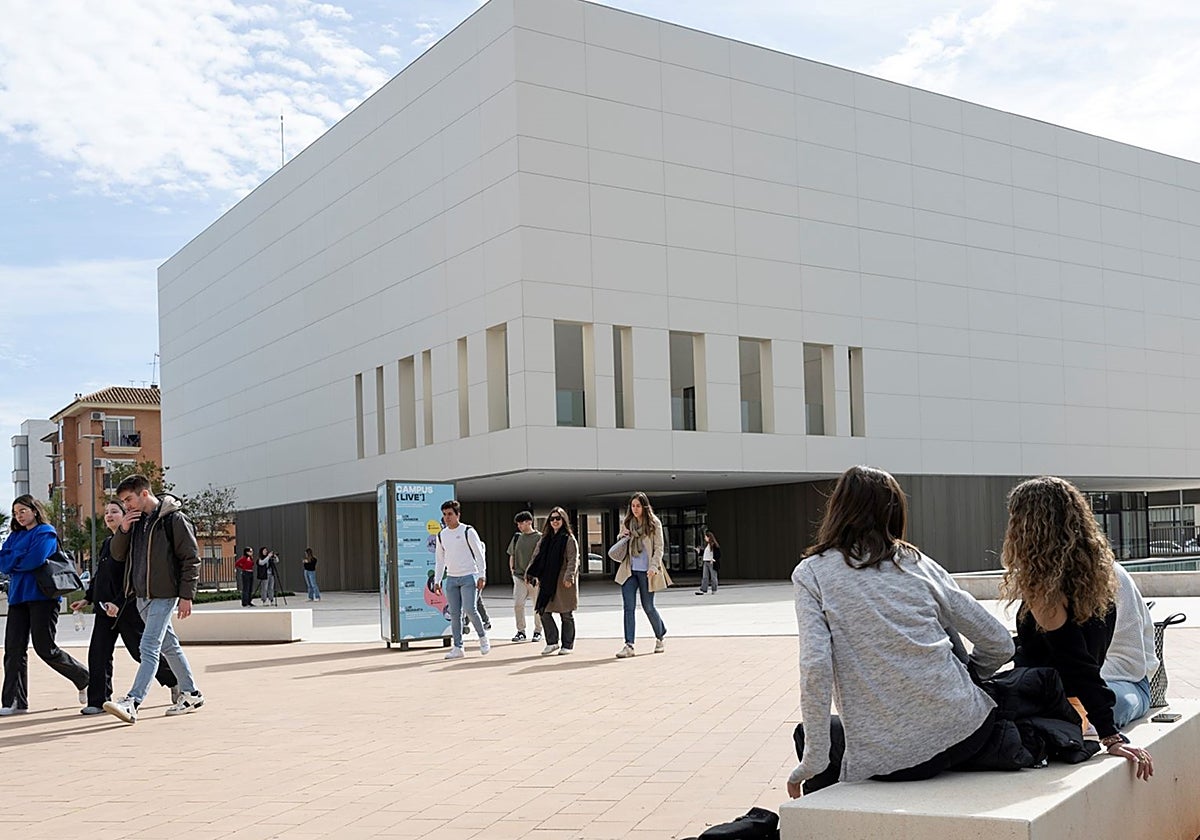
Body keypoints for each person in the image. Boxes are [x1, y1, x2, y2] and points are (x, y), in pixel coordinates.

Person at [788, 466, 1016, 795]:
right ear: (894, 512)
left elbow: (816, 668)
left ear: (836, 509)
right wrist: (972, 677)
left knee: (809, 740)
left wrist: (812, 761)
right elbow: (999, 643)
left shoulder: (812, 573)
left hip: (893, 756)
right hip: (968, 728)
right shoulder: (917, 562)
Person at [1001, 476, 1153, 780]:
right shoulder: (1097, 577)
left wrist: (1109, 736)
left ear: (1029, 526)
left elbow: (1075, 661)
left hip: (1061, 701)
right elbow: (1069, 651)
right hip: (1071, 696)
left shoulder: (1046, 589)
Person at [102, 474, 205, 724]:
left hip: (164, 594)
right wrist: (124, 528)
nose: (126, 506)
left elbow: (190, 558)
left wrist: (186, 595)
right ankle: (191, 693)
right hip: (141, 596)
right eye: (123, 502)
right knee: (169, 646)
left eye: (129, 500)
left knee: (148, 648)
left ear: (144, 494)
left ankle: (132, 702)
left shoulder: (173, 519)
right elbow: (117, 554)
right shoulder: (135, 522)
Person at [71, 500, 179, 715]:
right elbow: (100, 577)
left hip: (127, 609)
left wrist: (118, 603)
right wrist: (87, 598)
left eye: (114, 512)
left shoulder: (133, 544)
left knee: (140, 652)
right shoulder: (107, 543)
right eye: (107, 513)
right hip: (104, 610)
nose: (109, 515)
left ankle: (174, 680)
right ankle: (98, 700)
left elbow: (131, 578)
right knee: (98, 653)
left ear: (126, 516)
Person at [0, 495, 90, 715]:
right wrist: (19, 556)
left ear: (35, 510)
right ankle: (14, 702)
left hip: (43, 598)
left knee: (45, 648)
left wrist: (15, 558)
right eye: (16, 512)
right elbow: (3, 562)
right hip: (18, 598)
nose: (19, 516)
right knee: (13, 650)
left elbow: (36, 559)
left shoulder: (45, 532)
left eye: (23, 510)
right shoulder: (14, 536)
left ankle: (84, 677)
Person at [612, 492, 668, 659]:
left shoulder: (653, 523)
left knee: (648, 607)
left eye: (638, 506)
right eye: (632, 506)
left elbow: (659, 547)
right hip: (629, 570)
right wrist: (621, 536)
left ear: (644, 506)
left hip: (647, 571)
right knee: (628, 608)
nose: (635, 509)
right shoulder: (628, 522)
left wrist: (653, 566)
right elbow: (622, 540)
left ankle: (660, 635)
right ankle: (629, 645)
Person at [1101, 563, 1158, 727]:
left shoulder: (1112, 577)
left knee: (1112, 704)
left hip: (1126, 682)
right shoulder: (1041, 580)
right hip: (1066, 683)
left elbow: (1129, 664)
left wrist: (1078, 681)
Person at [433, 500, 490, 659]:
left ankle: (483, 637)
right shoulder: (441, 535)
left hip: (469, 576)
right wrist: (437, 580)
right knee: (455, 614)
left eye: (450, 514)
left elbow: (479, 555)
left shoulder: (468, 531)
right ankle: (458, 647)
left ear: (458, 514)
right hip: (451, 578)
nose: (447, 517)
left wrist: (481, 575)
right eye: (444, 514)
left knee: (470, 609)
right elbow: (440, 560)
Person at [526, 506, 579, 655]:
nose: (555, 521)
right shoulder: (545, 539)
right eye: (552, 519)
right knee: (543, 611)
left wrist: (569, 576)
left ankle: (567, 645)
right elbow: (536, 557)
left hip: (562, 581)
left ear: (564, 520)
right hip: (547, 580)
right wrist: (529, 573)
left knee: (566, 614)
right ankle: (552, 642)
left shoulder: (568, 539)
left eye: (558, 518)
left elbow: (573, 560)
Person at [507, 511, 543, 643]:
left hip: (535, 577)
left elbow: (542, 559)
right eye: (518, 524)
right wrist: (512, 572)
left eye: (521, 523)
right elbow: (512, 555)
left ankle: (538, 630)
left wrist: (539, 576)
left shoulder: (540, 538)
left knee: (537, 605)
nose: (519, 526)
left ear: (529, 522)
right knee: (518, 604)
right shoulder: (517, 537)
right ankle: (520, 631)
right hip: (519, 576)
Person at [695, 530, 721, 595]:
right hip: (706, 562)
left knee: (713, 577)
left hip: (711, 562)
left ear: (709, 537)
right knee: (705, 577)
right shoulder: (707, 545)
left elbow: (718, 554)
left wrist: (714, 559)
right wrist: (699, 551)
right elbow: (705, 553)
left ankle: (714, 589)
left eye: (705, 537)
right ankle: (703, 590)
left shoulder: (714, 545)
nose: (705, 538)